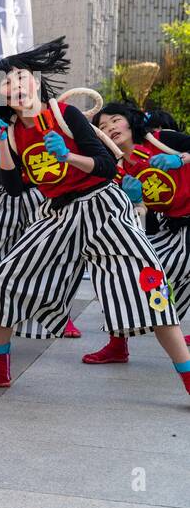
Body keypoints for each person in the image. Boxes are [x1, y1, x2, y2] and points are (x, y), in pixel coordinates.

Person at [0, 37, 190, 397]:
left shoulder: (64, 116)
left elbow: (106, 165)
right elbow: (13, 188)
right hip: (59, 216)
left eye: (20, 77)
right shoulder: (14, 135)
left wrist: (68, 157)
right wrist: (1, 142)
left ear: (34, 80)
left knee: (147, 287)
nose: (15, 85)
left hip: (103, 207)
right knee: (3, 279)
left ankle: (188, 379)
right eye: (5, 83)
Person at [81, 102, 190, 363]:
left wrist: (181, 158)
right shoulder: (115, 169)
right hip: (169, 227)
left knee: (156, 275)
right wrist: (134, 202)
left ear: (130, 121)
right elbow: (141, 220)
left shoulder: (161, 139)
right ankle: (118, 342)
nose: (111, 128)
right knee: (124, 273)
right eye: (103, 127)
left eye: (116, 120)